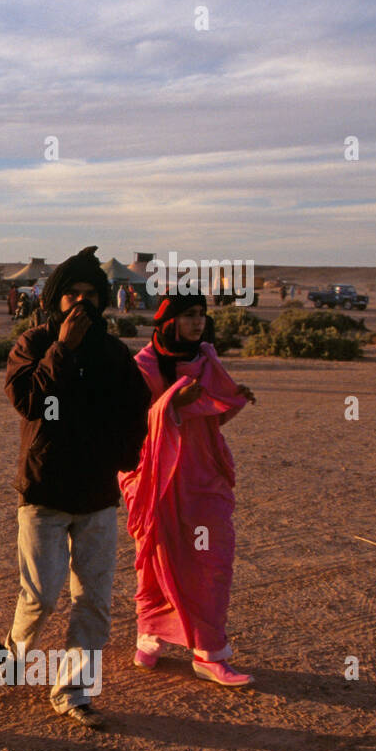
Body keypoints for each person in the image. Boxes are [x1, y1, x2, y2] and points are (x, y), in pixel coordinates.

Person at [2, 247, 151, 728]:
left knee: (94, 601)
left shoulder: (112, 352)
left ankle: (74, 689)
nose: (81, 303)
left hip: (97, 496)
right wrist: (61, 349)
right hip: (43, 490)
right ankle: (15, 655)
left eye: (90, 294)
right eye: (72, 294)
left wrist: (124, 456)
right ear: (55, 299)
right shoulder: (33, 343)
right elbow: (27, 400)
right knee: (41, 596)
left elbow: (137, 406)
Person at [119, 288, 256, 686]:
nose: (198, 322)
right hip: (152, 477)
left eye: (201, 314)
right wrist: (172, 406)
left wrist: (231, 402)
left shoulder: (206, 359)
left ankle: (208, 652)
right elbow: (129, 424)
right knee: (156, 556)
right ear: (168, 321)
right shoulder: (143, 365)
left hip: (202, 476)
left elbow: (209, 420)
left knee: (211, 559)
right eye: (189, 314)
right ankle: (152, 634)